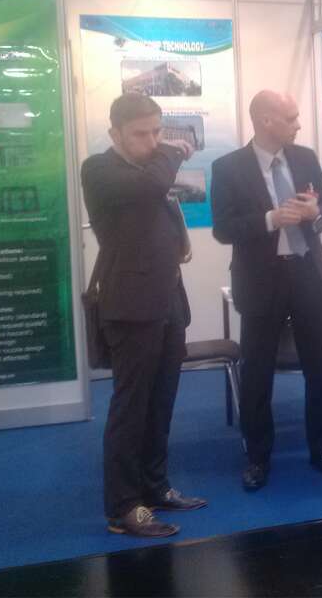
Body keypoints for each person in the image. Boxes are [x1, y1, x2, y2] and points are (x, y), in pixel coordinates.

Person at [82, 93, 206, 538]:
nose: (152, 142)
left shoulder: (148, 168)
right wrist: (172, 151)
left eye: (157, 132)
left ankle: (154, 487)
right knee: (131, 408)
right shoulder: (99, 169)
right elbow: (150, 188)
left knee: (161, 401)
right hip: (130, 306)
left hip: (167, 299)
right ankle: (122, 507)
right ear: (114, 133)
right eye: (141, 134)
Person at [211, 90, 322, 490]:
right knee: (257, 373)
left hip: (307, 274)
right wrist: (271, 219)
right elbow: (223, 229)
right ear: (266, 120)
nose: (298, 125)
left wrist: (315, 214)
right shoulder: (228, 167)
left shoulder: (305, 158)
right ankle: (257, 458)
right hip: (260, 280)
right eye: (291, 118)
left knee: (318, 368)